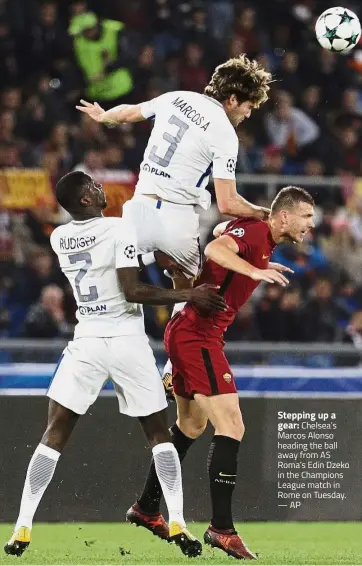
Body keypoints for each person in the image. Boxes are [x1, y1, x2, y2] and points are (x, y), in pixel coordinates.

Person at [4, 171, 227, 558]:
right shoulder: (120, 228)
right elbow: (132, 290)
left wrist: (150, 255)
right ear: (86, 200)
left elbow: (105, 256)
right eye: (93, 186)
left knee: (54, 434)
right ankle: (177, 519)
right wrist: (191, 293)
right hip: (126, 340)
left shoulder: (60, 238)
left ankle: (21, 526)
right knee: (159, 433)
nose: (100, 188)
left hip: (87, 341)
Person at [125, 186, 315, 559]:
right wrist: (253, 270)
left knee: (191, 426)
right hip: (198, 336)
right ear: (286, 216)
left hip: (188, 333)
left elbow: (218, 233)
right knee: (232, 426)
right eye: (307, 216)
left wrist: (256, 263)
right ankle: (222, 529)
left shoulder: (261, 235)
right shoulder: (260, 232)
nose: (312, 224)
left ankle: (146, 507)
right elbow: (215, 248)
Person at [77, 53, 273, 393]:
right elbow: (228, 204)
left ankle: (96, 357)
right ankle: (172, 370)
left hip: (138, 209)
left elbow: (129, 113)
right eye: (248, 106)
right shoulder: (225, 133)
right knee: (194, 288)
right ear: (232, 99)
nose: (248, 113)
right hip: (177, 216)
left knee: (113, 280)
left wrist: (103, 115)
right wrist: (266, 214)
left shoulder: (176, 97)